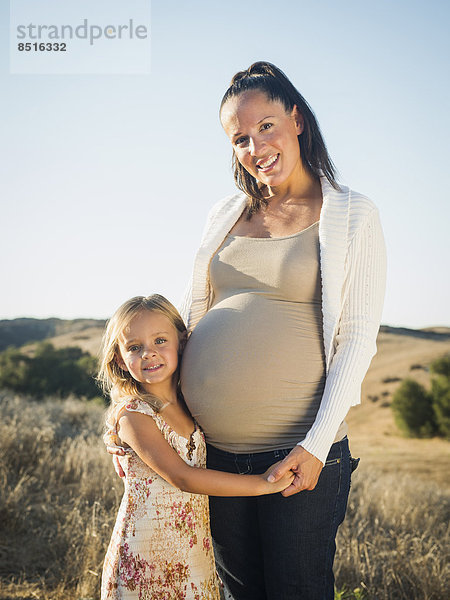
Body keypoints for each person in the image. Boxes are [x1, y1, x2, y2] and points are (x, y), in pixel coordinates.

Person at [178, 61, 387, 599]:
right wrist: (146, 413)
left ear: (296, 118)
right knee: (240, 593)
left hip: (297, 458)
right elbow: (190, 320)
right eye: (240, 138)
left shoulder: (351, 214)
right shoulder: (224, 213)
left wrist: (317, 446)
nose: (255, 146)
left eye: (265, 125)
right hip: (219, 460)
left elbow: (358, 337)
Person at [98, 294, 294, 600]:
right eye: (135, 348)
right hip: (148, 551)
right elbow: (182, 477)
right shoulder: (135, 416)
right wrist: (261, 484)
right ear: (120, 359)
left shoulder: (192, 403)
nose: (149, 353)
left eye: (160, 341)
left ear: (182, 342)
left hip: (191, 546)